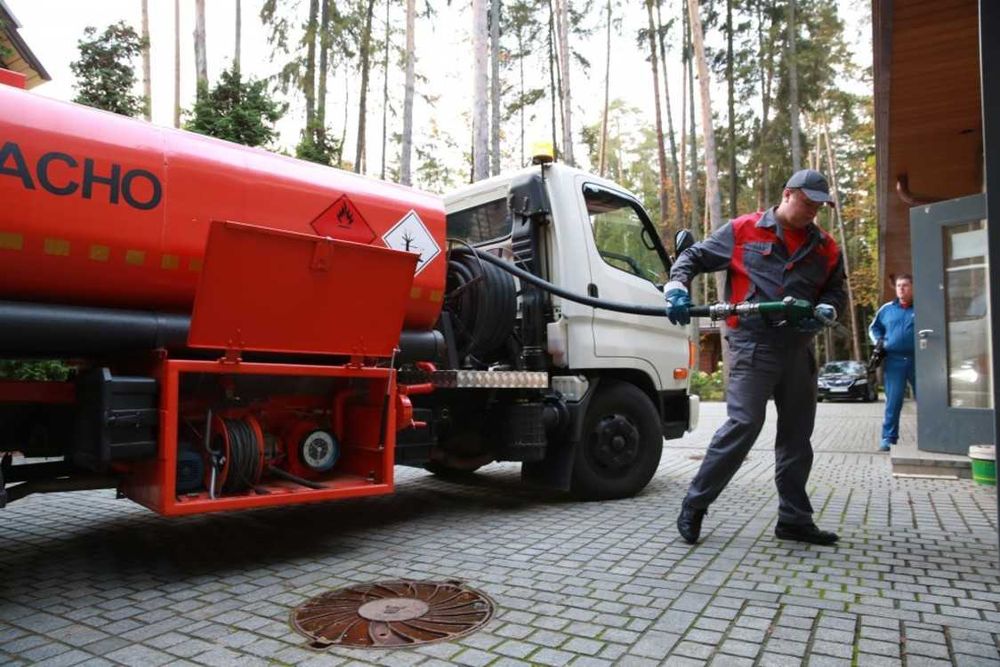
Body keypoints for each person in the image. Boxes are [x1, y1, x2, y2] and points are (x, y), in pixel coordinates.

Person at [664, 169, 846, 546]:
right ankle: (695, 505)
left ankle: (794, 520)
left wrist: (828, 308)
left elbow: (835, 292)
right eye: (807, 202)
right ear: (787, 194)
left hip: (798, 347)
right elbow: (692, 257)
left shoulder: (826, 247)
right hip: (753, 343)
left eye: (819, 206)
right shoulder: (743, 230)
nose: (813, 211)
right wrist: (677, 287)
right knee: (745, 423)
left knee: (797, 435)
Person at [868, 274, 916, 451]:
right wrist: (880, 342)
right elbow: (874, 328)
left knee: (926, 400)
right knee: (893, 402)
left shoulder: (922, 307)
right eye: (898, 286)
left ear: (912, 287)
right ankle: (888, 438)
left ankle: (932, 435)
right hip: (894, 361)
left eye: (905, 285)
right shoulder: (887, 309)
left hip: (918, 361)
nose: (901, 289)